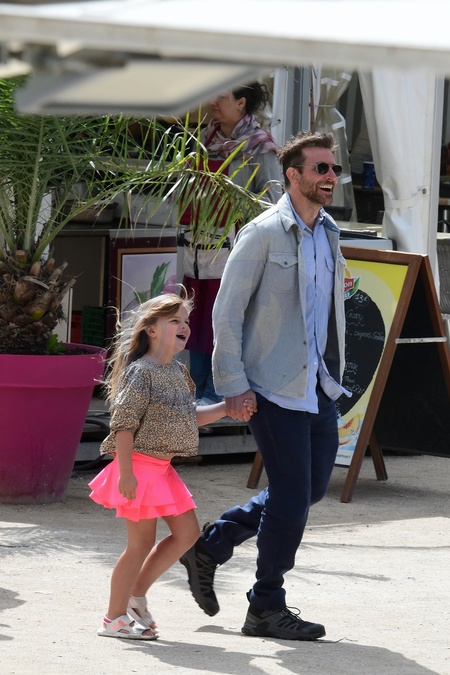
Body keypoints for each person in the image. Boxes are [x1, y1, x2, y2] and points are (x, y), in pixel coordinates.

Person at [180, 131, 351, 641]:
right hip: (272, 387)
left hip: (317, 384)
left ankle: (211, 544)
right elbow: (227, 314)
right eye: (321, 169)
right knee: (293, 497)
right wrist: (233, 385)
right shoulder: (261, 234)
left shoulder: (329, 233)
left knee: (309, 490)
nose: (331, 177)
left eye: (334, 169)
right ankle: (265, 604)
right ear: (292, 176)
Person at [89, 290, 254, 640]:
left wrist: (228, 407)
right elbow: (123, 425)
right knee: (139, 545)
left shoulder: (177, 371)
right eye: (174, 320)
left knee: (188, 534)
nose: (184, 326)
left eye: (186, 321)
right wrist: (126, 474)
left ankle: (135, 597)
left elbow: (187, 416)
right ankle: (113, 619)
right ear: (150, 329)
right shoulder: (141, 372)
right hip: (138, 468)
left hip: (162, 471)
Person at [181, 81, 283, 405]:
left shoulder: (260, 146)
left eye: (222, 95)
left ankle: (218, 393)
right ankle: (195, 390)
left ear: (241, 103)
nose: (213, 101)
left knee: (223, 318)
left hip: (236, 250)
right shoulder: (203, 140)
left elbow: (273, 201)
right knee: (195, 318)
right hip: (197, 247)